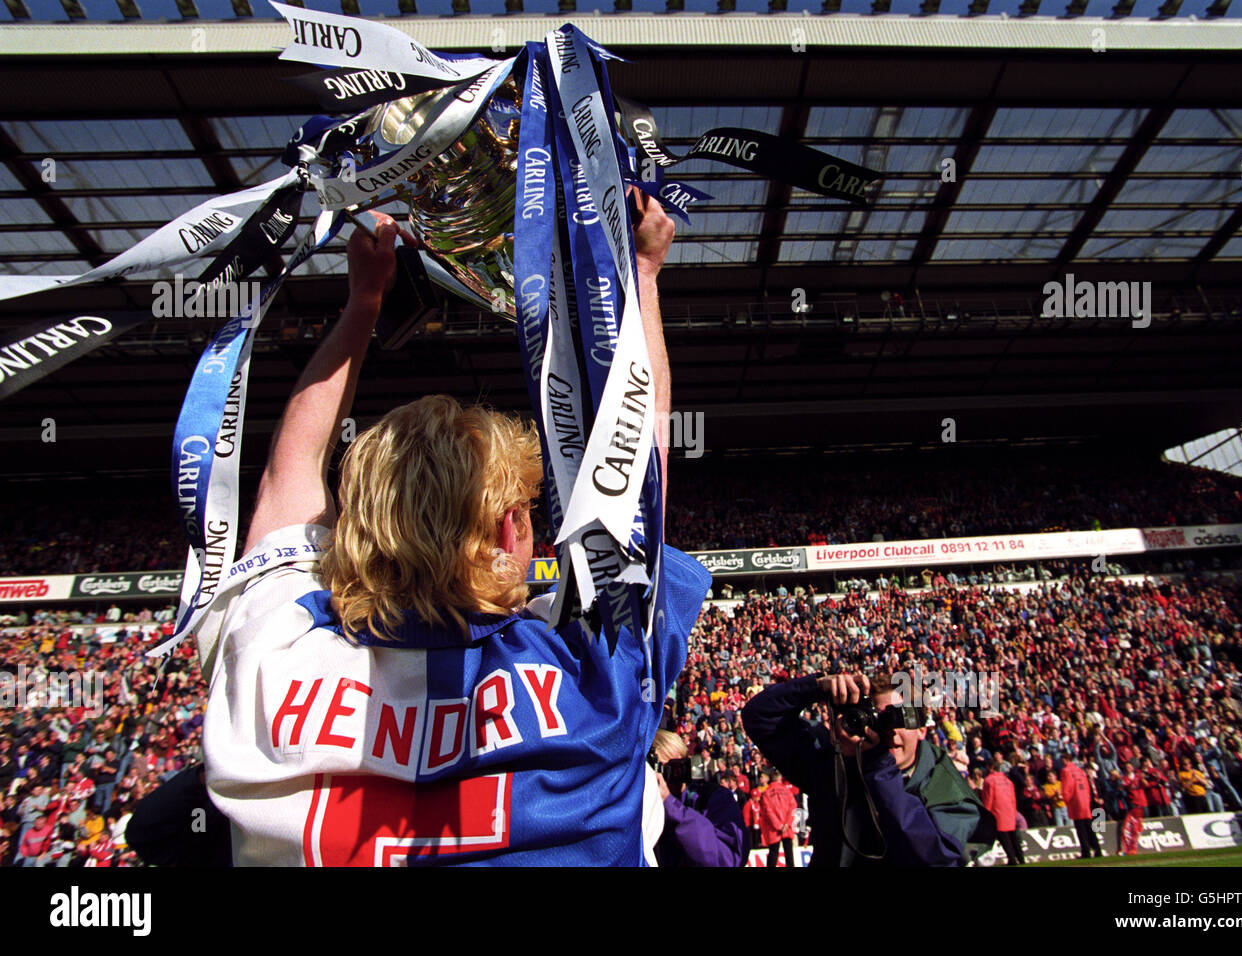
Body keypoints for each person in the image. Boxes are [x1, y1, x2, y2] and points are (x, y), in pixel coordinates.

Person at [196, 197, 710, 866]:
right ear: (506, 528)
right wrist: (641, 274)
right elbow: (637, 469)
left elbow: (285, 478)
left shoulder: (275, 657)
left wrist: (361, 307)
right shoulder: (594, 679)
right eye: (529, 512)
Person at [742, 672, 985, 867]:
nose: (890, 731)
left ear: (922, 729)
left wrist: (878, 767)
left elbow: (935, 856)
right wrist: (818, 686)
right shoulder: (834, 759)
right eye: (879, 720)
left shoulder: (944, 783)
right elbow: (759, 715)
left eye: (900, 719)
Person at [649, 731, 746, 867]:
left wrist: (672, 807)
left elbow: (729, 859)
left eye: (678, 766)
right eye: (664, 769)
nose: (674, 774)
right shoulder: (642, 806)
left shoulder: (713, 797)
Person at [757, 767, 798, 868]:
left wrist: (778, 825)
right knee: (789, 854)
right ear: (780, 778)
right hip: (786, 827)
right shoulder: (787, 791)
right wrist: (786, 823)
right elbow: (793, 807)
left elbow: (768, 811)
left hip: (774, 828)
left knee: (773, 853)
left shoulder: (766, 793)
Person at [982, 764, 1023, 865]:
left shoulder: (989, 780)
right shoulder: (1008, 781)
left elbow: (988, 798)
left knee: (1004, 837)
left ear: (991, 768)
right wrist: (1014, 811)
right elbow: (1013, 798)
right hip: (1009, 810)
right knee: (1013, 836)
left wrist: (986, 813)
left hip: (997, 811)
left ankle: (1012, 859)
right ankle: (1021, 858)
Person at [1060, 758, 1101, 859]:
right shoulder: (1080, 771)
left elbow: (1067, 787)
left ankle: (1086, 851)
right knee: (1089, 827)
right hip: (1085, 802)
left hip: (1076, 803)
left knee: (1081, 829)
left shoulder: (1066, 771)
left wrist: (1066, 799)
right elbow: (1087, 787)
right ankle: (1097, 849)